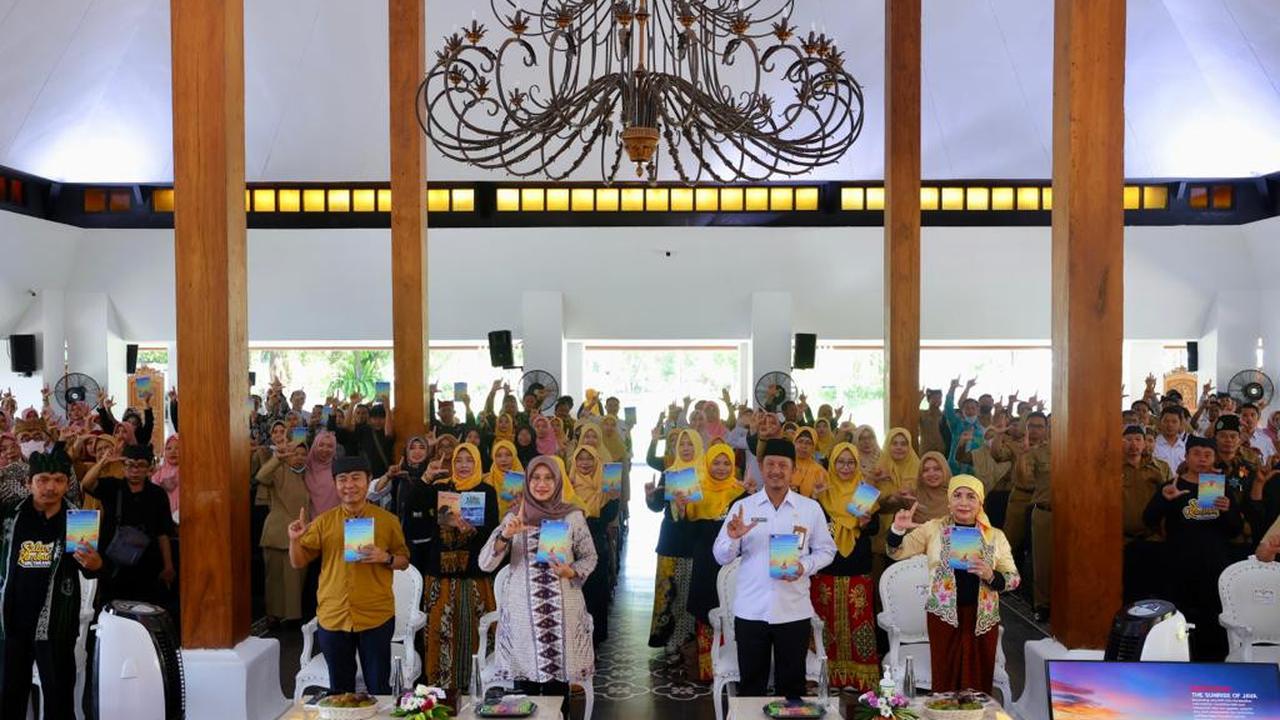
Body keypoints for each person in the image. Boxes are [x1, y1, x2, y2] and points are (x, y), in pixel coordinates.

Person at [712, 439, 836, 699]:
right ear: (761, 467)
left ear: (793, 470)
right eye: (770, 464)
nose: (776, 471)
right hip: (751, 611)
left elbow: (827, 550)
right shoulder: (743, 507)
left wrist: (805, 566)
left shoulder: (810, 508)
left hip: (793, 610)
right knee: (751, 689)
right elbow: (721, 556)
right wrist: (734, 538)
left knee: (792, 690)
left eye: (783, 465)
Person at [478, 456, 597, 718]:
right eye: (535, 478)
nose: (541, 484)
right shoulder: (514, 517)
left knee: (558, 693)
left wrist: (571, 570)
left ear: (558, 481)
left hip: (562, 619)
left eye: (548, 478)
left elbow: (590, 556)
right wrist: (506, 536)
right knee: (524, 695)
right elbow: (485, 563)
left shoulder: (572, 515)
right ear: (527, 481)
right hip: (524, 621)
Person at [887, 475, 1020, 695]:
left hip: (982, 619)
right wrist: (897, 530)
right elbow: (896, 552)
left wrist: (991, 575)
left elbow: (1013, 578)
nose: (964, 502)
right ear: (949, 502)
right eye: (957, 496)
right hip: (943, 617)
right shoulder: (933, 529)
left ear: (980, 503)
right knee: (945, 679)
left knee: (977, 685)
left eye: (971, 497)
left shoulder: (995, 536)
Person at [288, 455, 409, 694]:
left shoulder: (388, 521)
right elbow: (298, 561)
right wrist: (295, 540)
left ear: (369, 481)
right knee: (339, 691)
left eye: (356, 478)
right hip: (334, 615)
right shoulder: (323, 522)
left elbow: (404, 560)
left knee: (378, 688)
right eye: (342, 479)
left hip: (375, 615)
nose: (349, 485)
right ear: (335, 484)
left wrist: (385, 557)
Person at [0, 450, 102, 720]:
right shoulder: (11, 517)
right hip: (12, 623)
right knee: (9, 698)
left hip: (57, 623)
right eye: (42, 480)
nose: (50, 487)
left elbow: (91, 570)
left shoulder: (78, 519)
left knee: (59, 701)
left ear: (67, 484)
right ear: (28, 483)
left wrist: (96, 564)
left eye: (58, 480)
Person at [1143, 435, 1243, 660]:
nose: (1202, 459)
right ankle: (1179, 660)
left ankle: (1213, 663)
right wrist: (1163, 499)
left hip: (1213, 566)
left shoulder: (1218, 486)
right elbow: (1148, 519)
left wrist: (1228, 511)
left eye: (1207, 455)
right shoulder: (1173, 486)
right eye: (1196, 454)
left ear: (1214, 458)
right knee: (1179, 618)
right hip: (1178, 565)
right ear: (1186, 456)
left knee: (1213, 617)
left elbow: (1234, 530)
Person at [420, 443, 499, 693]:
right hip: (441, 577)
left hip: (473, 575)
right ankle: (442, 690)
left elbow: (493, 531)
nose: (464, 465)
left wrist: (474, 530)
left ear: (478, 464)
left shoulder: (486, 490)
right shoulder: (441, 488)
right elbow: (412, 505)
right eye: (459, 460)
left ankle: (477, 686)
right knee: (440, 632)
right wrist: (425, 477)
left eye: (469, 461)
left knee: (476, 631)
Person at [810, 442, 880, 690]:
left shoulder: (865, 491)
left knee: (859, 622)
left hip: (857, 566)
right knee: (825, 624)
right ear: (832, 463)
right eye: (841, 462)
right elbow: (810, 527)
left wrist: (864, 522)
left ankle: (858, 678)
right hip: (827, 567)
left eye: (851, 462)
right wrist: (815, 499)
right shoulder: (822, 493)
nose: (846, 467)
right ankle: (826, 676)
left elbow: (875, 528)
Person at [684, 442, 747, 682]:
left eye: (726, 463)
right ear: (707, 464)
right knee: (706, 607)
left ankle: (734, 665)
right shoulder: (696, 492)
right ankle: (707, 668)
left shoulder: (740, 492)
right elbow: (688, 536)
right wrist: (682, 509)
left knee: (732, 608)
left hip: (732, 562)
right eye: (716, 463)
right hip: (705, 560)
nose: (721, 468)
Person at [255, 437, 311, 626]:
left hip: (299, 536)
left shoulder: (306, 475)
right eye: (296, 453)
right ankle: (273, 616)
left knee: (295, 581)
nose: (300, 457)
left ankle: (292, 618)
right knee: (275, 580)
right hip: (276, 534)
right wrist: (277, 459)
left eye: (304, 454)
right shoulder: (278, 471)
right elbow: (261, 476)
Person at [944, 378, 985, 474]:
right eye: (967, 408)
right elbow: (948, 409)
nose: (970, 411)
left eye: (973, 408)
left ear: (978, 411)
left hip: (974, 470)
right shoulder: (957, 424)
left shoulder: (982, 430)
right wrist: (952, 389)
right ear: (962, 411)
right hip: (954, 469)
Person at [1153, 406, 1187, 472]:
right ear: (1160, 423)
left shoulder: (1185, 447)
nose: (1170, 425)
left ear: (1180, 424)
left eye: (1174, 422)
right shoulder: (1153, 445)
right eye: (1166, 421)